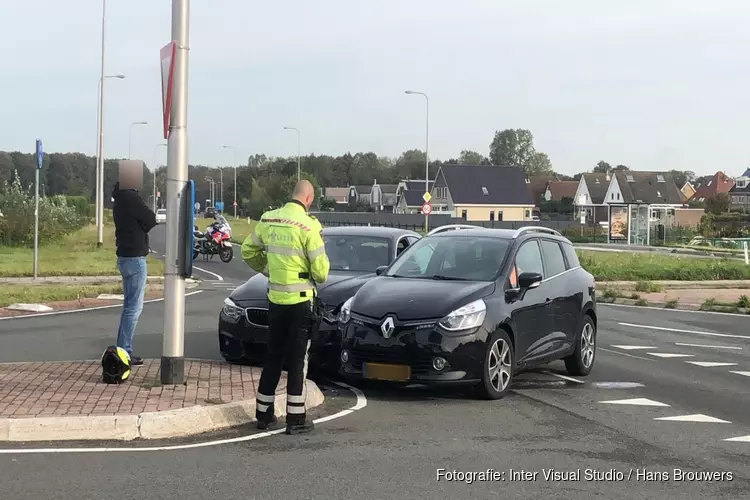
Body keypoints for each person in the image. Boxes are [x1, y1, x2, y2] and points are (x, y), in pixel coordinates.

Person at [241, 179, 330, 435]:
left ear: (292, 195)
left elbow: (247, 251)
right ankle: (295, 418)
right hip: (301, 302)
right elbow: (321, 272)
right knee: (297, 360)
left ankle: (263, 414)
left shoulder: (268, 220)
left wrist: (268, 270)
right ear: (309, 199)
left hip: (276, 301)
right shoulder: (308, 226)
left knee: (273, 356)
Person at [111, 165, 156, 366]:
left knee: (128, 306)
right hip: (135, 257)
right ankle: (124, 351)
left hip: (123, 256)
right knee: (133, 308)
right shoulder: (131, 197)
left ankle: (123, 349)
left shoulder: (119, 199)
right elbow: (150, 219)